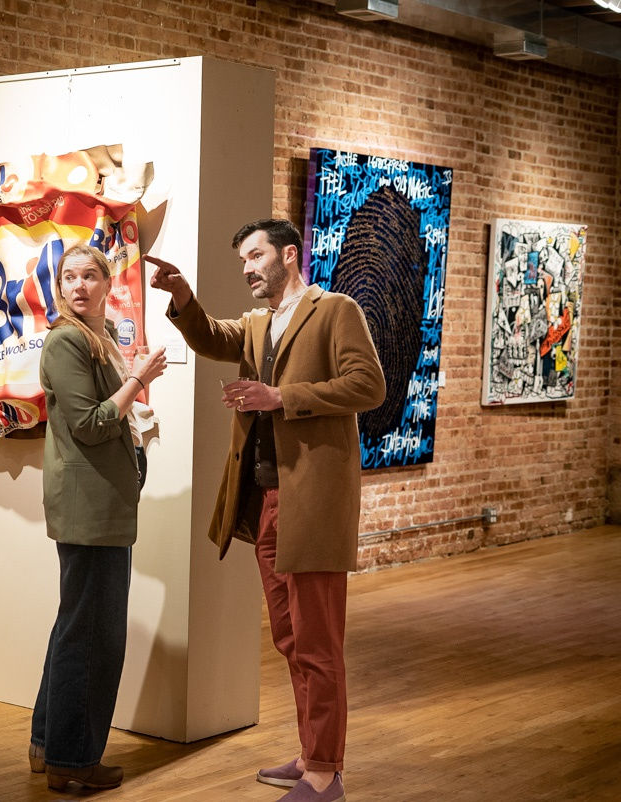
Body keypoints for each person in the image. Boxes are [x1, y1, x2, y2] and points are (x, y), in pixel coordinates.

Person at [148, 219, 385, 802]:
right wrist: (183, 296)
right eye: (243, 262)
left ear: (289, 254)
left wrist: (282, 397)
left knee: (319, 644)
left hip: (312, 502)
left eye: (255, 256)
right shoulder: (258, 324)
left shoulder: (336, 311)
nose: (248, 269)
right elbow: (211, 338)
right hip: (266, 501)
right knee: (290, 639)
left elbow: (369, 385)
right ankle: (311, 754)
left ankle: (326, 773)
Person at [29, 243, 167, 792]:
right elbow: (89, 424)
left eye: (90, 276)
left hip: (101, 501)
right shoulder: (66, 340)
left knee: (77, 624)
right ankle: (73, 761)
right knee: (93, 635)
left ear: (109, 284)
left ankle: (50, 745)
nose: (79, 286)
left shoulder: (99, 336)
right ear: (60, 287)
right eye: (70, 277)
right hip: (88, 506)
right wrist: (139, 379)